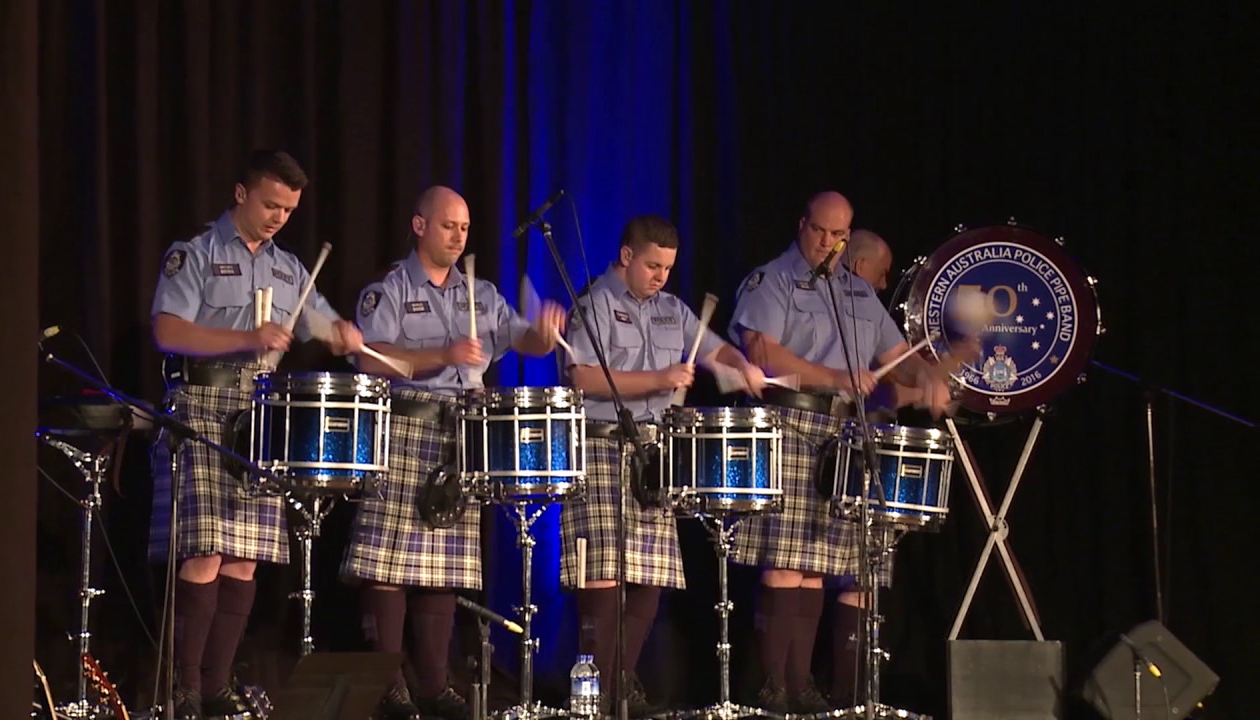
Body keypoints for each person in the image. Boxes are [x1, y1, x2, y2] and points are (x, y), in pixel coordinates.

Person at [148, 150, 364, 719]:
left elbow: (318, 318)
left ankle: (217, 686)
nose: (278, 217)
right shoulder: (193, 255)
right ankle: (184, 690)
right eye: (271, 204)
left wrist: (340, 331)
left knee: (245, 557)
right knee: (205, 552)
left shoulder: (291, 268)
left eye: (289, 210)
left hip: (259, 411)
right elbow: (168, 331)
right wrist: (246, 336)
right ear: (241, 194)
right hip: (201, 404)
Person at [340, 186, 566, 720]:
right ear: (419, 226)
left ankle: (434, 683)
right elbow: (370, 357)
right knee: (388, 564)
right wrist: (442, 354)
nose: (459, 236)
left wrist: (544, 332)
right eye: (448, 226)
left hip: (459, 437)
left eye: (464, 228)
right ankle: (388, 681)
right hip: (404, 427)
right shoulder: (388, 288)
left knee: (443, 566)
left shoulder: (480, 293)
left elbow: (522, 339)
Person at [727, 192, 953, 712]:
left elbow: (897, 358)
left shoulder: (857, 293)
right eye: (820, 232)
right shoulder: (774, 280)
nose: (828, 244)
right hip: (789, 420)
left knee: (817, 567)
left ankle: (801, 686)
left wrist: (934, 379)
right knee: (785, 562)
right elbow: (761, 350)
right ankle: (770, 688)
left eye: (839, 236)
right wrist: (835, 377)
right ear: (802, 224)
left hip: (844, 433)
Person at [558, 215, 767, 716]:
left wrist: (743, 368)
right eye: (652, 265)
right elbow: (583, 377)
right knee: (604, 576)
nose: (660, 277)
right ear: (627, 256)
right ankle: (596, 694)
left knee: (652, 576)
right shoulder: (594, 304)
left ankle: (618, 683)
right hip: (601, 446)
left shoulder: (673, 309)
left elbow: (717, 352)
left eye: (668, 268)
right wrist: (659, 378)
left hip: (652, 455)